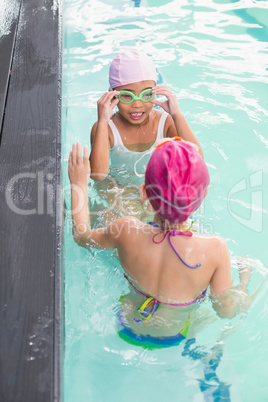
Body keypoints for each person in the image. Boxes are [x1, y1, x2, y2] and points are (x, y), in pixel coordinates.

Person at [68, 139, 257, 349]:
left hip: (126, 325)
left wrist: (78, 184)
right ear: (203, 196)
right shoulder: (214, 250)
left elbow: (81, 236)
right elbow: (226, 311)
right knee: (209, 311)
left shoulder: (126, 230)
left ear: (144, 192)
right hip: (175, 335)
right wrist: (243, 283)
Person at [89, 48, 203, 184]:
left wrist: (177, 115)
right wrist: (102, 122)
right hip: (118, 189)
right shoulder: (106, 128)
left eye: (146, 94)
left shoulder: (165, 122)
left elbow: (197, 163)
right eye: (127, 95)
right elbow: (98, 175)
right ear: (112, 95)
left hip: (156, 188)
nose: (137, 104)